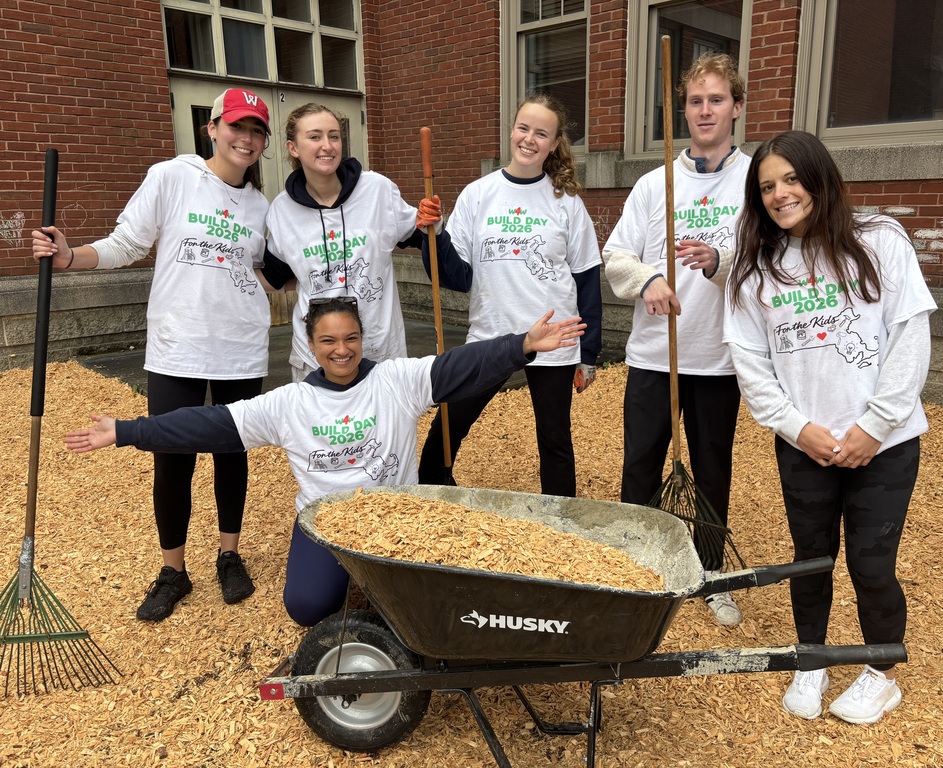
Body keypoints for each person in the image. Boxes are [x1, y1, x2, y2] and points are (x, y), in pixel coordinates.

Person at [64, 298, 585, 627]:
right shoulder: (288, 403)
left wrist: (522, 346)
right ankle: (357, 581)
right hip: (326, 521)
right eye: (329, 341)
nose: (342, 350)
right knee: (308, 608)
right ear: (310, 345)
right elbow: (209, 424)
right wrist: (129, 431)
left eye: (351, 338)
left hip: (401, 517)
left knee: (428, 609)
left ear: (363, 338)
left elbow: (460, 366)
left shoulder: (395, 381)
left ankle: (386, 590)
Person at [31, 88, 273, 622]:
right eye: (237, 127)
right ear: (212, 128)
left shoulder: (261, 206)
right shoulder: (172, 177)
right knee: (173, 460)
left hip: (240, 347)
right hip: (177, 347)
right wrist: (71, 256)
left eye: (257, 131)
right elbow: (126, 243)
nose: (246, 138)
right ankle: (173, 570)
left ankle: (229, 555)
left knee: (231, 455)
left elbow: (273, 269)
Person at [723, 130, 935, 724]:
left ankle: (879, 669)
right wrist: (797, 428)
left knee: (872, 564)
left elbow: (909, 337)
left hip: (885, 444)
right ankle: (811, 657)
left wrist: (875, 425)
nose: (779, 194)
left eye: (791, 178)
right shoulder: (756, 269)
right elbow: (751, 364)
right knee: (811, 557)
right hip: (805, 445)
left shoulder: (879, 241)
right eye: (766, 186)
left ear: (819, 176)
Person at [601, 53, 748, 626]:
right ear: (681, 109)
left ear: (736, 106)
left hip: (716, 355)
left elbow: (769, 260)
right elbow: (615, 255)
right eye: (694, 100)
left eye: (716, 99)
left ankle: (710, 573)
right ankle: (634, 564)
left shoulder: (753, 179)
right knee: (640, 461)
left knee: (712, 468)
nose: (704, 110)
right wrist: (649, 280)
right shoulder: (654, 183)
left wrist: (719, 259)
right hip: (653, 355)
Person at [415, 92, 602, 497]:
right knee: (451, 420)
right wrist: (433, 234)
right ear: (511, 130)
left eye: (541, 133)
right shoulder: (478, 194)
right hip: (492, 332)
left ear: (554, 144)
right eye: (523, 128)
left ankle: (561, 517)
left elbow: (587, 276)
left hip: (554, 336)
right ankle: (432, 490)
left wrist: (589, 353)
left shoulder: (565, 200)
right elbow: (454, 276)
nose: (529, 139)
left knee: (554, 438)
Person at [260, 102, 422, 381]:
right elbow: (275, 276)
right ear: (293, 148)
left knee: (386, 424)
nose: (327, 145)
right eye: (314, 136)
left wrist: (434, 222)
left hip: (379, 350)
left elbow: (423, 236)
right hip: (315, 356)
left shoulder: (377, 190)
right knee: (319, 426)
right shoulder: (282, 210)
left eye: (333, 136)